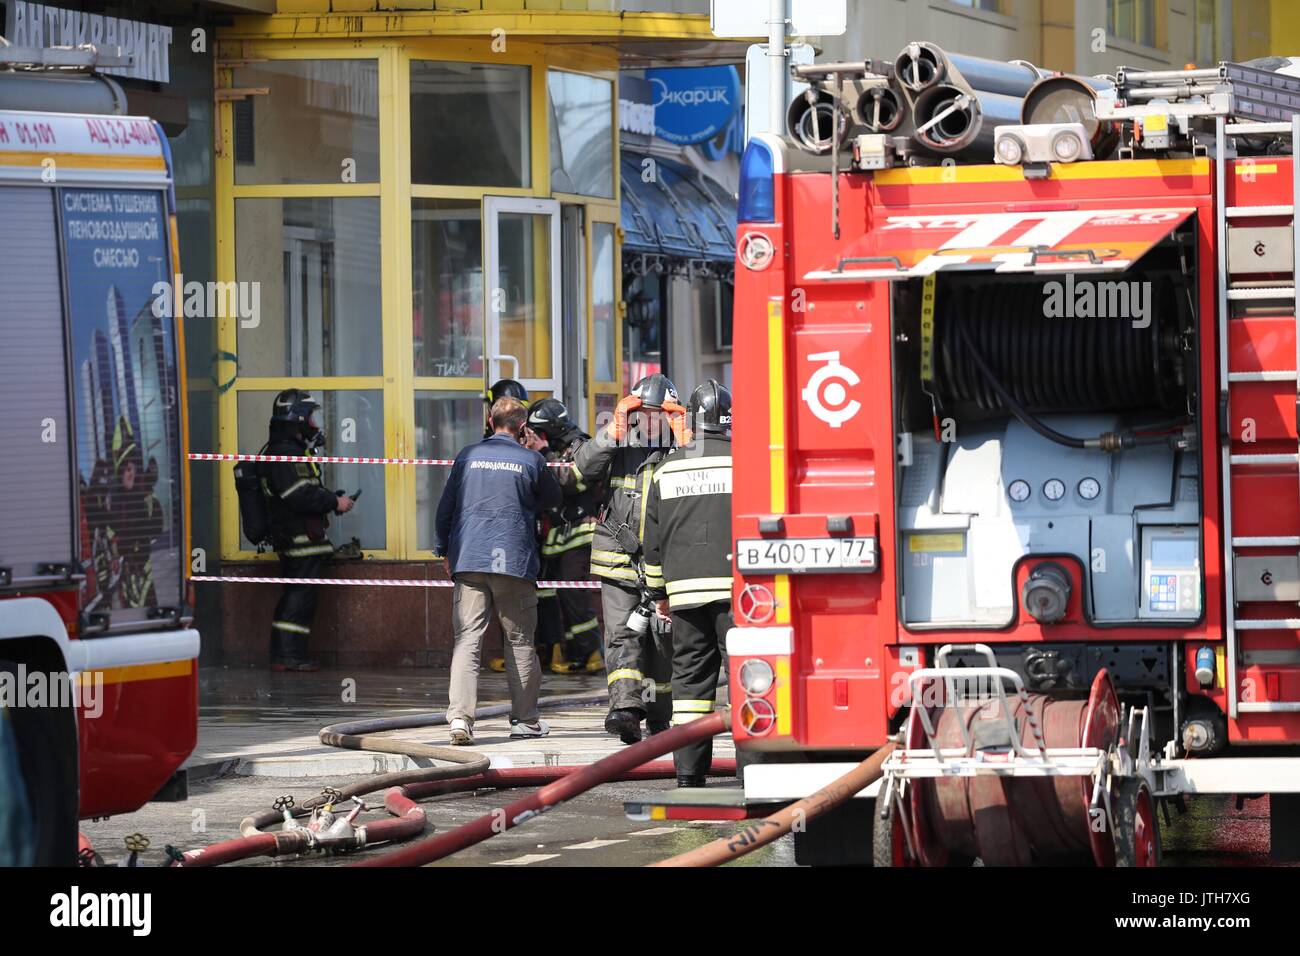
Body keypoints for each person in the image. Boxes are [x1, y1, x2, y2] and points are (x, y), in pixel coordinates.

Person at [435, 396, 562, 745]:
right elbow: (554, 500)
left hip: (470, 558)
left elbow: (445, 507)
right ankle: (525, 721)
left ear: (491, 423)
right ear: (522, 428)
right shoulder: (532, 459)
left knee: (468, 640)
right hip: (514, 561)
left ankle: (460, 720)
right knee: (520, 642)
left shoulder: (467, 456)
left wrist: (443, 550)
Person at [572, 373, 688, 744]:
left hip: (667, 559)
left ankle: (658, 715)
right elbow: (580, 471)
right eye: (643, 412)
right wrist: (613, 430)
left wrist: (686, 437)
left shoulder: (683, 445)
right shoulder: (618, 441)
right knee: (622, 634)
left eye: (659, 414)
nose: (650, 420)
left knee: (661, 639)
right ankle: (625, 711)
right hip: (617, 556)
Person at [643, 380, 734, 788]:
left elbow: (653, 540)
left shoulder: (666, 469)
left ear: (692, 421)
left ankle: (689, 775)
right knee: (750, 679)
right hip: (740, 593)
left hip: (685, 596)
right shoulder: (747, 461)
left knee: (691, 688)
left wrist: (658, 593)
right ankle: (755, 767)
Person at [261, 389, 355, 672]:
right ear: (297, 419)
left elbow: (307, 490)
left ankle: (293, 654)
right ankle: (286, 655)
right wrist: (333, 501)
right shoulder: (283, 454)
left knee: (302, 597)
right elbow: (299, 495)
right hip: (298, 540)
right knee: (298, 597)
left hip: (303, 539)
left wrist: (330, 499)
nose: (313, 424)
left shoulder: (289, 451)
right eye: (309, 417)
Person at [526, 398, 604, 674]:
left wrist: (544, 453)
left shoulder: (579, 445)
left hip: (579, 532)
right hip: (558, 534)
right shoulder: (559, 446)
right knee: (555, 593)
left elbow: (572, 480)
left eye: (540, 432)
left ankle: (592, 651)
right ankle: (574, 653)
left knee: (574, 593)